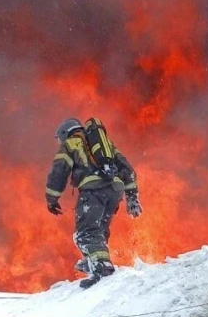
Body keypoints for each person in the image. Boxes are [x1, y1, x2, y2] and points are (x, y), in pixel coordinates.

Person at [45, 117, 142, 288]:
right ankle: (92, 260)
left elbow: (59, 171)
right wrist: (132, 196)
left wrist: (52, 198)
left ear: (65, 133)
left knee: (86, 232)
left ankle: (102, 267)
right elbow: (127, 169)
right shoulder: (106, 145)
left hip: (94, 189)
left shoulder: (71, 143)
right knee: (99, 229)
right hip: (115, 189)